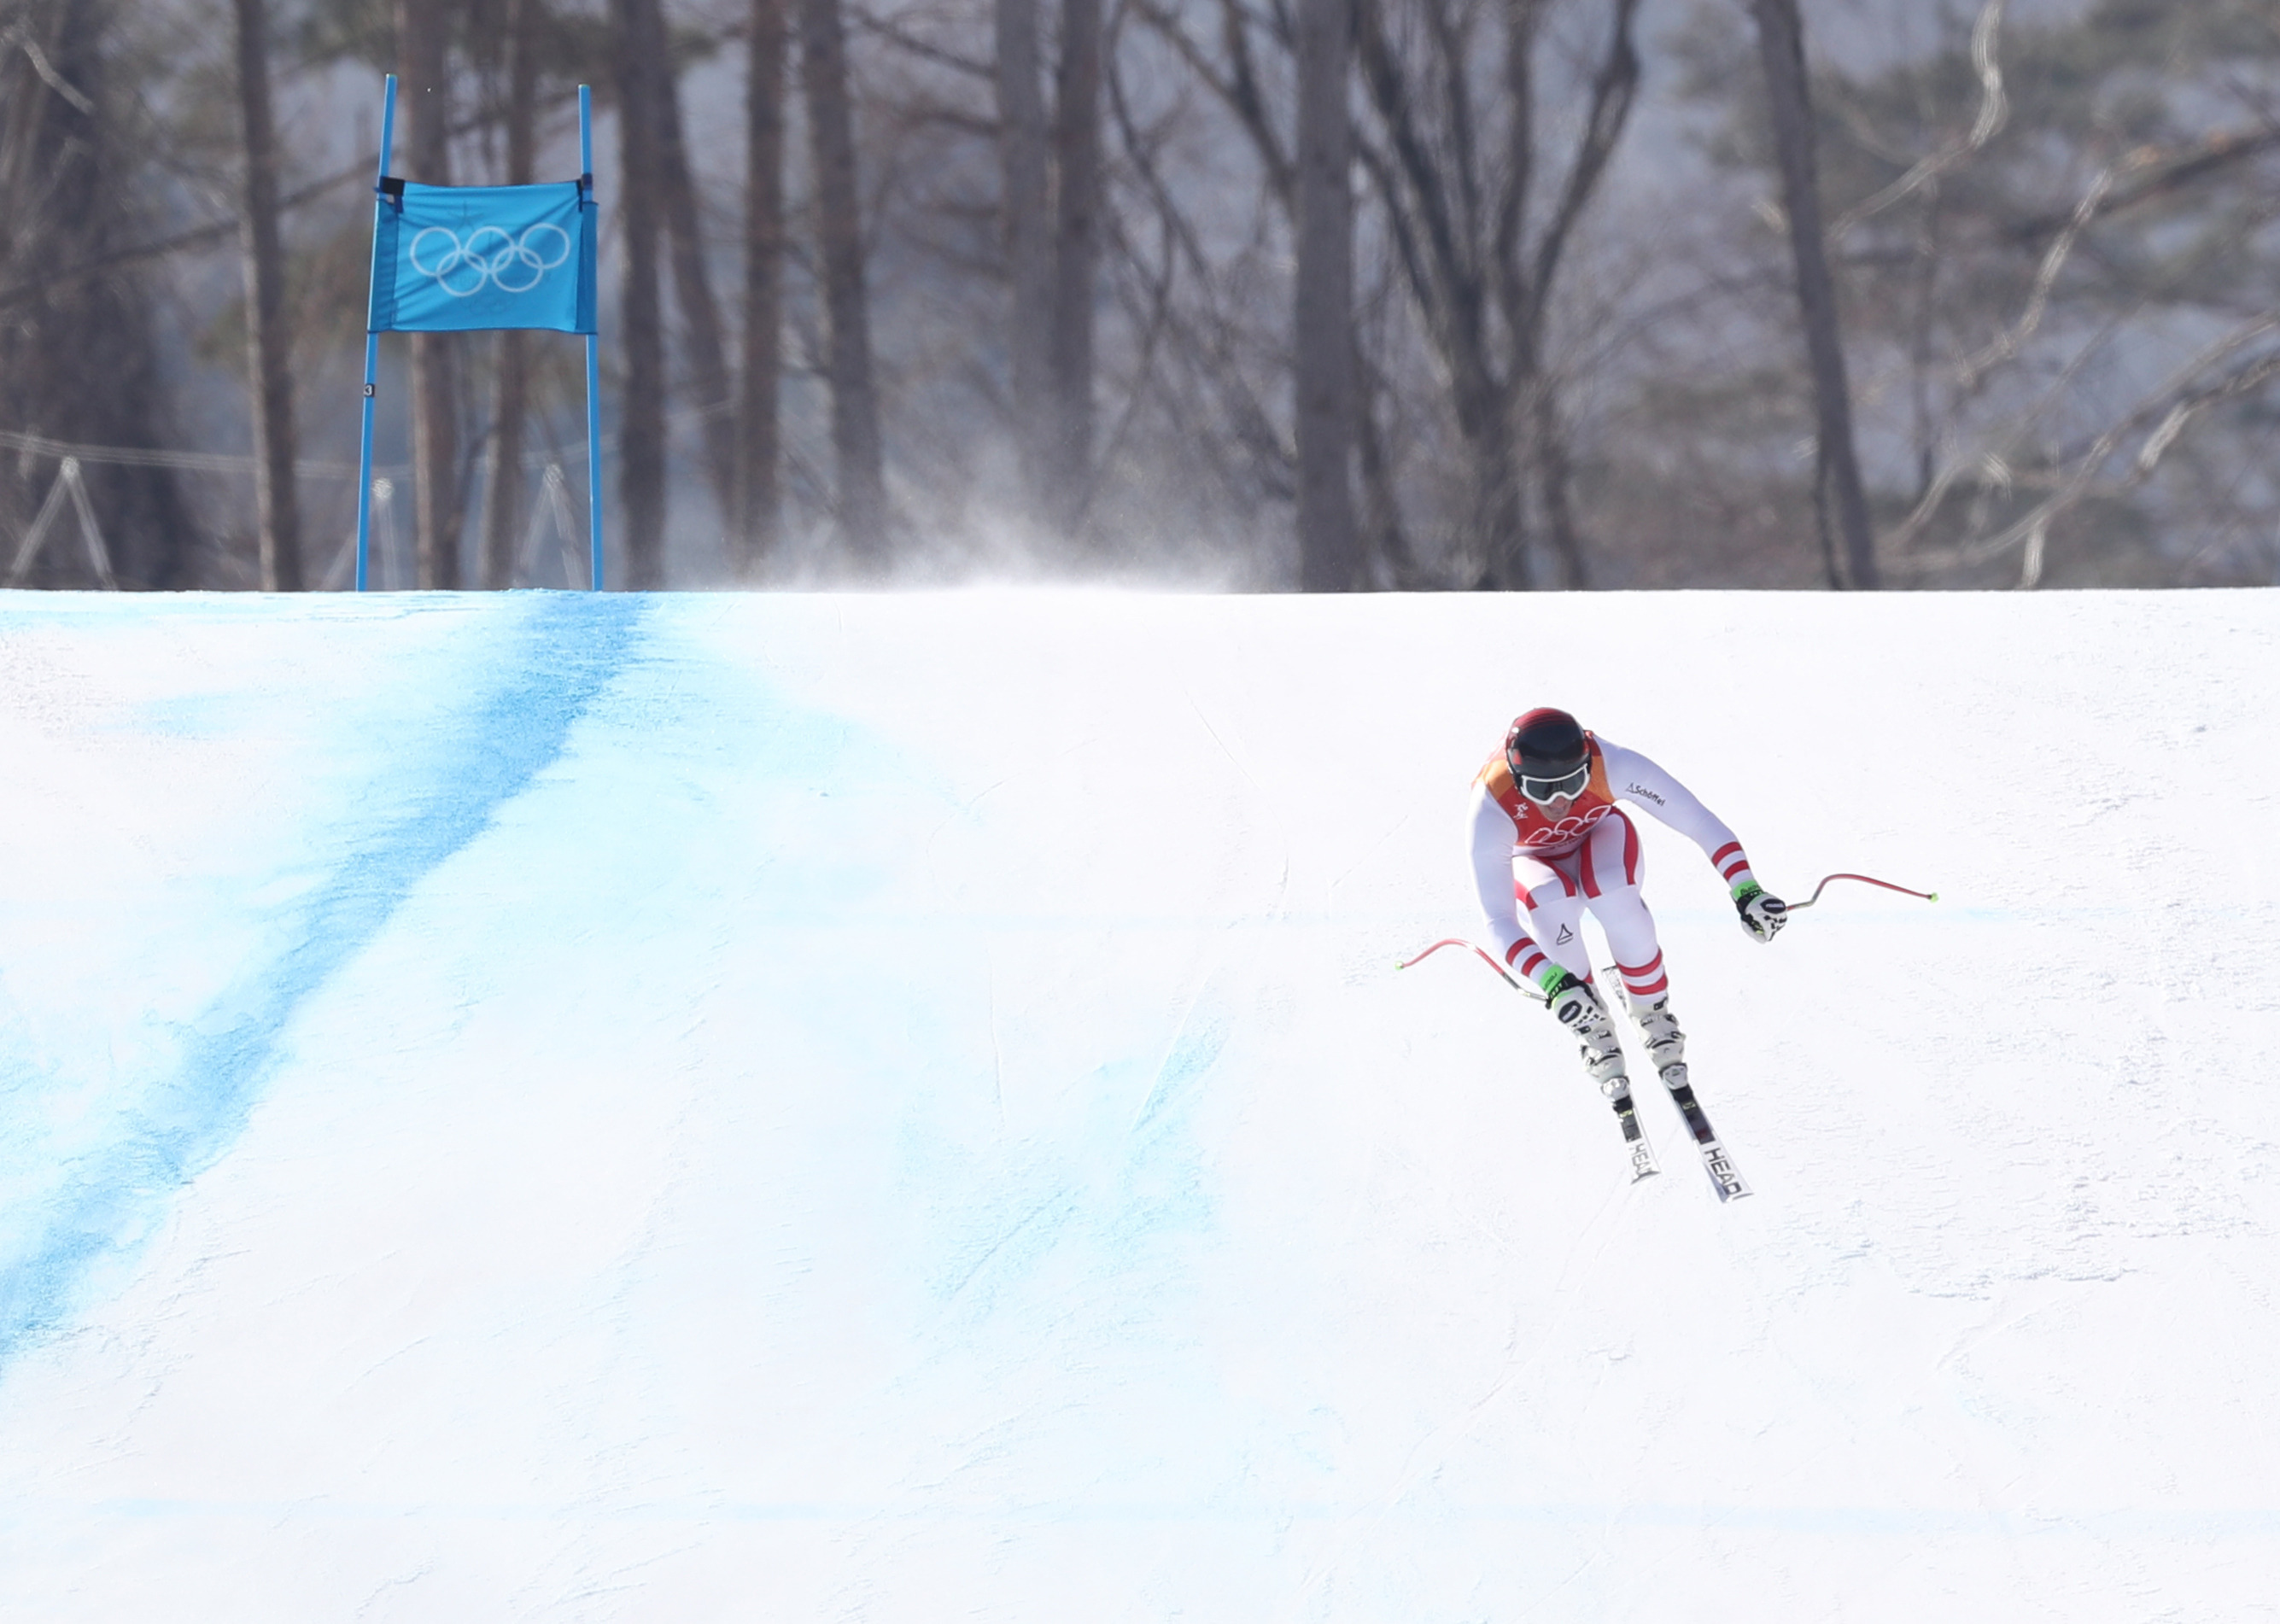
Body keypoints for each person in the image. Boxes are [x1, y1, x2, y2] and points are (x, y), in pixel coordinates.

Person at [1468, 707, 1786, 1099]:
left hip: (1600, 836)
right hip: (1531, 861)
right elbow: (1498, 920)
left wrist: (1746, 888)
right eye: (1542, 789)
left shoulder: (1612, 763)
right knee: (1551, 903)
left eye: (1573, 782)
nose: (1559, 801)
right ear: (1517, 781)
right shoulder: (1491, 802)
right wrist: (1553, 981)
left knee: (1613, 891)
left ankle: (1653, 1013)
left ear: (1588, 764)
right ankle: (1590, 1024)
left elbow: (1699, 822)